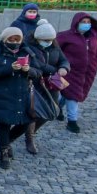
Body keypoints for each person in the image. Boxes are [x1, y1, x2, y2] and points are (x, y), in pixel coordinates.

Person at [0, 26, 43, 170]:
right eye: (11, 39)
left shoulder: (28, 52)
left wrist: (29, 70)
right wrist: (10, 68)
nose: (15, 42)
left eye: (17, 39)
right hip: (3, 94)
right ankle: (3, 152)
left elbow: (38, 71)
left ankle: (8, 141)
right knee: (3, 124)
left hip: (22, 93)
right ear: (5, 40)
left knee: (26, 122)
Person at [24, 21, 70, 155]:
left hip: (52, 84)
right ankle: (29, 137)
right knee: (34, 111)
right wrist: (55, 70)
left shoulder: (55, 46)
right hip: (36, 83)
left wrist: (64, 68)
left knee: (51, 111)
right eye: (45, 40)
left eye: (50, 40)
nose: (48, 42)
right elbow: (37, 65)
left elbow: (64, 60)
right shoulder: (29, 47)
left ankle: (31, 131)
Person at [55, 12, 97, 133]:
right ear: (77, 23)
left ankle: (57, 107)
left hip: (88, 71)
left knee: (70, 93)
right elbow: (56, 50)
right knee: (73, 95)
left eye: (88, 22)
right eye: (83, 22)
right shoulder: (65, 36)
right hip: (70, 71)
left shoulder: (93, 37)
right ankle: (72, 121)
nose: (86, 25)